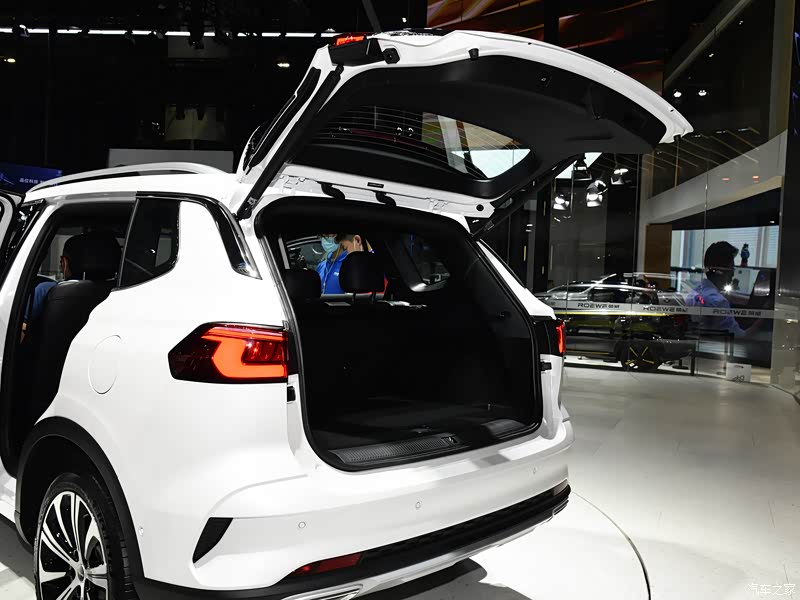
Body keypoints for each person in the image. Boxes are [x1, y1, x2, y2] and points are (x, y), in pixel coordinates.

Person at [685, 241, 746, 336]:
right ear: (720, 271)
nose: (733, 274)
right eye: (731, 268)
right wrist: (762, 321)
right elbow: (741, 338)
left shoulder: (694, 293)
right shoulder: (719, 302)